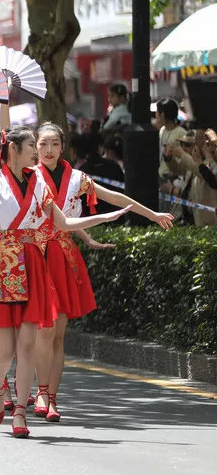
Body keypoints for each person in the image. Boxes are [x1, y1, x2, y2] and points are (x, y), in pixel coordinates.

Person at [0, 97, 126, 438]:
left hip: (32, 263)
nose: (38, 151)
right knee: (4, 350)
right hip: (2, 265)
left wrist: (105, 217)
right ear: (14, 150)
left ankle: (20, 413)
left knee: (28, 346)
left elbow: (63, 223)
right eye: (32, 145)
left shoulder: (40, 184)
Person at [33, 122, 173, 422]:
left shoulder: (77, 178)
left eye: (54, 144)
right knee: (42, 330)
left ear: (63, 147)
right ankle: (38, 390)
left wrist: (151, 214)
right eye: (43, 143)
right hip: (34, 254)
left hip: (62, 256)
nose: (48, 149)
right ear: (35, 146)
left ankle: (51, 397)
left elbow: (114, 197)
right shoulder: (29, 176)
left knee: (57, 333)